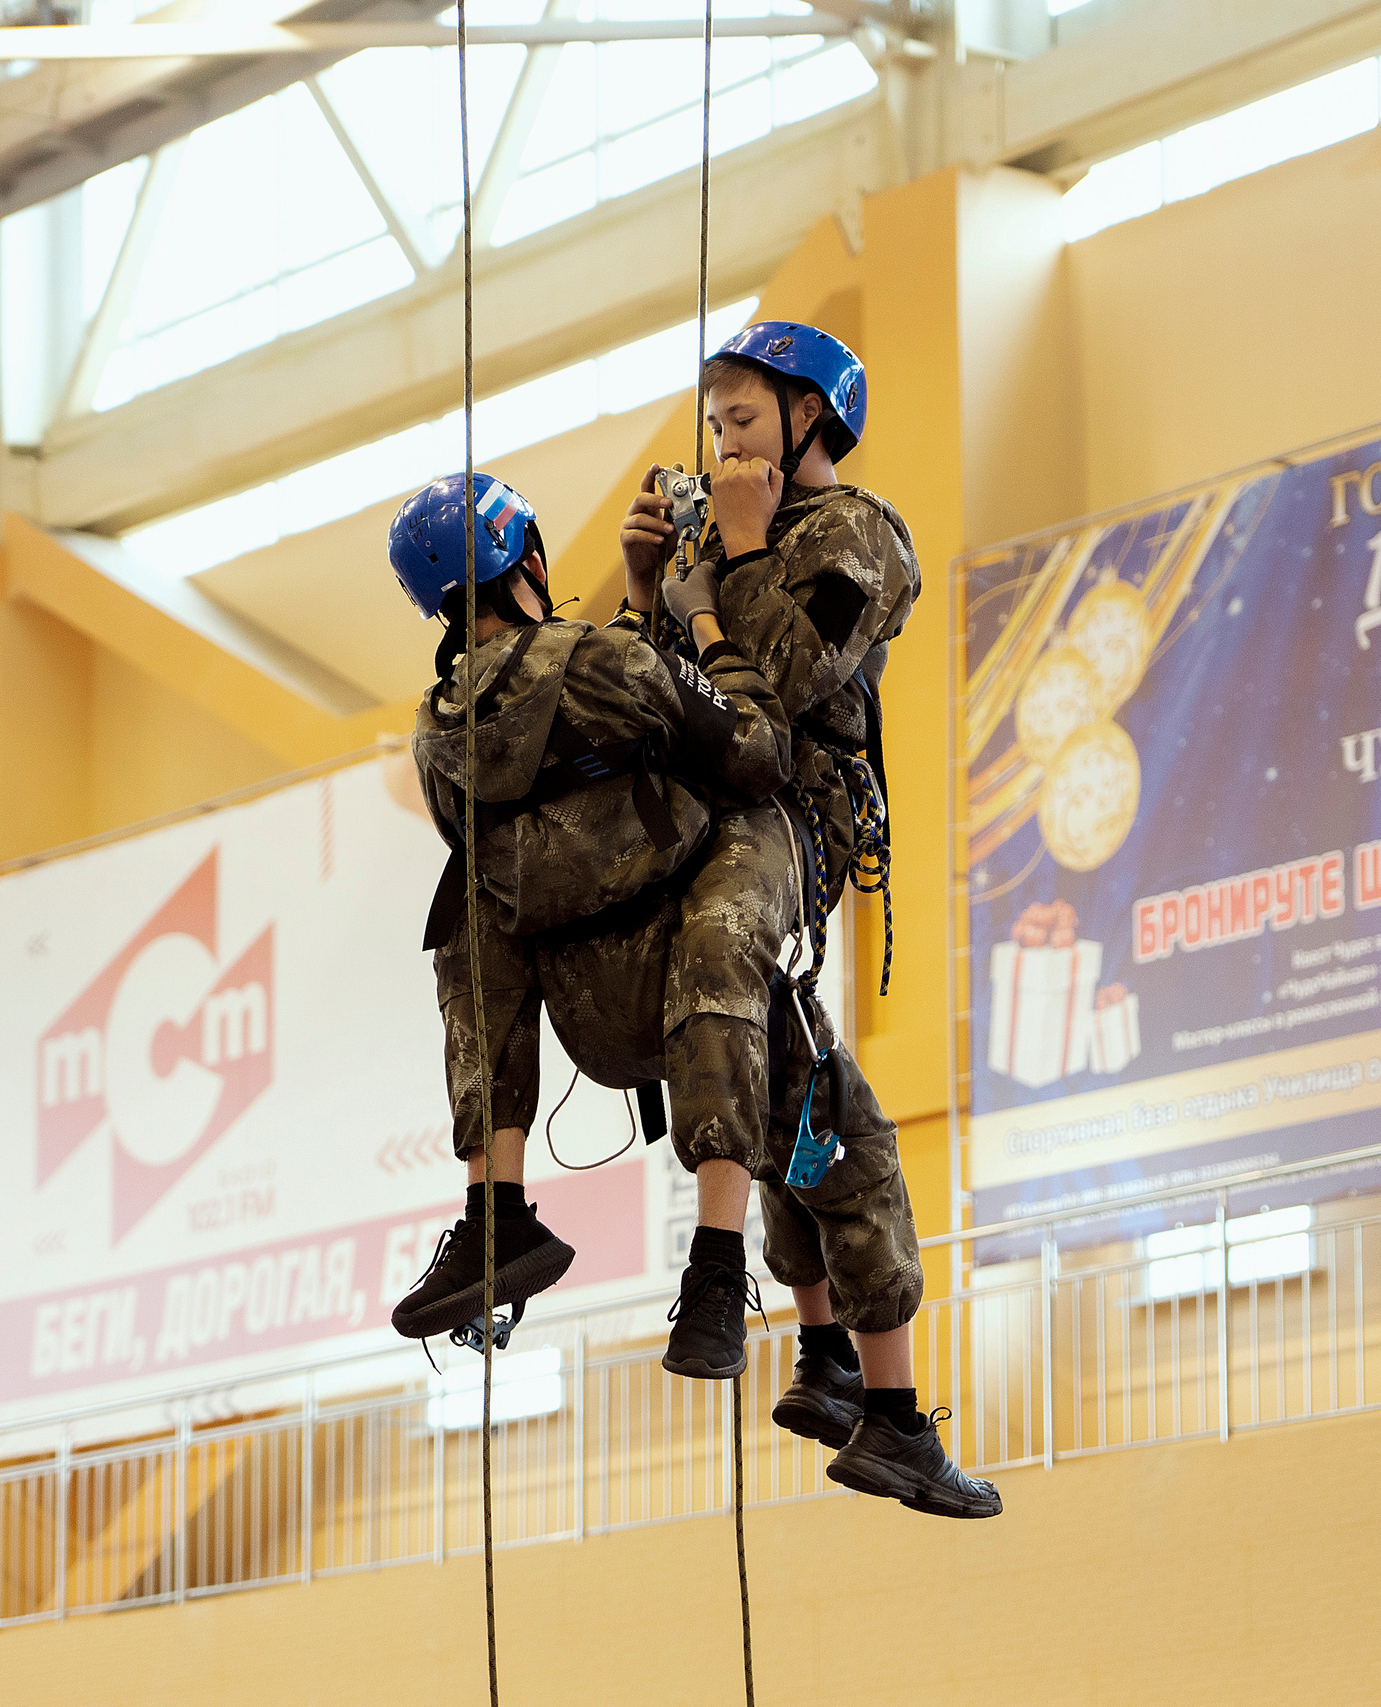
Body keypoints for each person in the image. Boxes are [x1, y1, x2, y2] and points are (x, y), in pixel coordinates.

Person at [623, 324, 999, 1519]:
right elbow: (677, 701)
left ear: (808, 422)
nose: (723, 444)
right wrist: (648, 594)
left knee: (783, 1041)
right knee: (817, 1115)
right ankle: (853, 1379)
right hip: (701, 827)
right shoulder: (715, 550)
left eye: (742, 422)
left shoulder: (856, 534)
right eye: (715, 428)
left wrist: (734, 554)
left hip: (792, 823)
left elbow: (787, 680)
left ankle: (746, 1288)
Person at [383, 471, 796, 1358]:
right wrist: (705, 625)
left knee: (469, 907)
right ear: (528, 558)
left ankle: (495, 1211)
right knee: (739, 851)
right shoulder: (612, 664)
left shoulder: (436, 735)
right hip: (690, 985)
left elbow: (574, 743)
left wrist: (639, 594)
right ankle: (719, 1262)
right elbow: (759, 749)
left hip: (579, 1006)